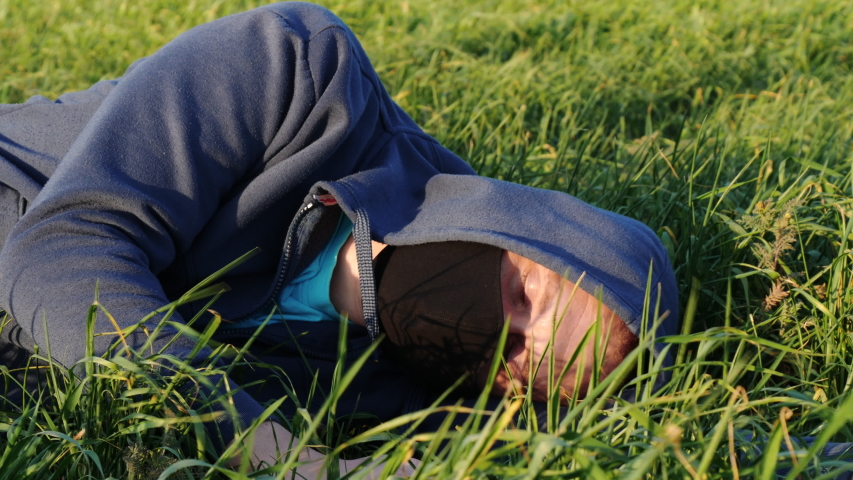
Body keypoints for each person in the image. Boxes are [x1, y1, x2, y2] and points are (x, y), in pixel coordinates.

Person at [0, 1, 679, 475]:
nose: (502, 336)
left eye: (527, 367)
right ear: (522, 226)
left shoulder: (394, 389)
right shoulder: (301, 73)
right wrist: (283, 459)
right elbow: (63, 248)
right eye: (526, 297)